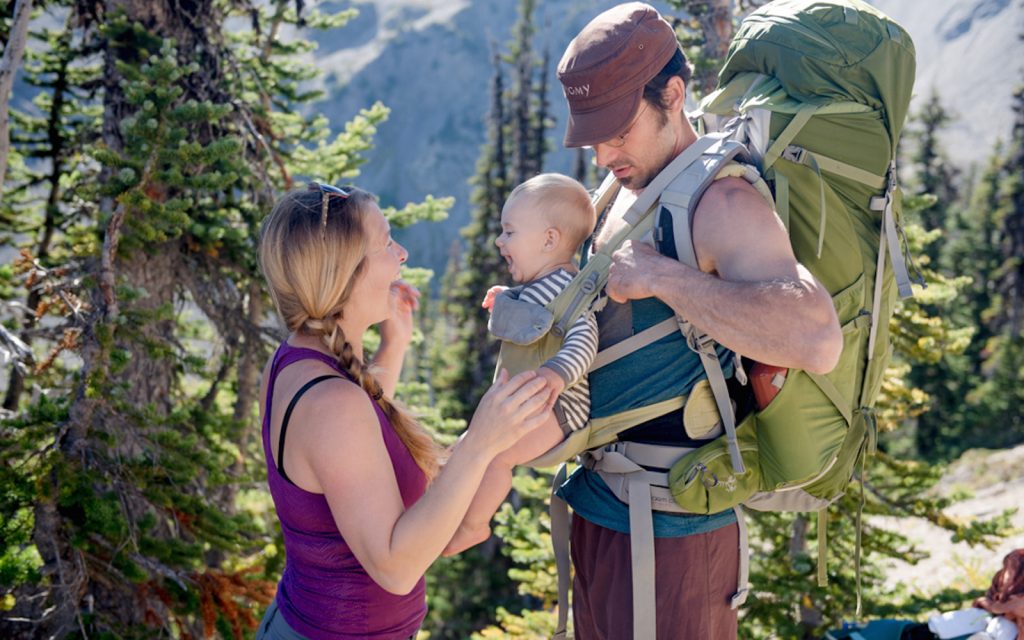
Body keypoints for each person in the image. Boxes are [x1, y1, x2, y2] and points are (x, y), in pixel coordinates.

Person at [554, 3, 843, 638]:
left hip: (674, 534)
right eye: (593, 134)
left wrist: (663, 278)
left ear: (673, 94)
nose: (604, 152)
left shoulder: (723, 199)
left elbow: (816, 337)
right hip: (603, 513)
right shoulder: (632, 187)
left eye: (618, 130)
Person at [254, 183, 553, 640]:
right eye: (387, 242)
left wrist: (393, 345)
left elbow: (355, 448)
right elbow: (395, 569)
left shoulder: (292, 362)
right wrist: (480, 442)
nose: (402, 255)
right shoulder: (334, 403)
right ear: (345, 273)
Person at [444, 173, 599, 555]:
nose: (500, 241)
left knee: (495, 453)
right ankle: (449, 510)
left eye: (510, 232)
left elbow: (585, 338)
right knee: (468, 448)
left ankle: (474, 525)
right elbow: (533, 312)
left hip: (557, 409)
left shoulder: (567, 289)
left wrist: (556, 374)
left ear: (549, 240)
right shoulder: (539, 285)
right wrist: (508, 297)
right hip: (534, 405)